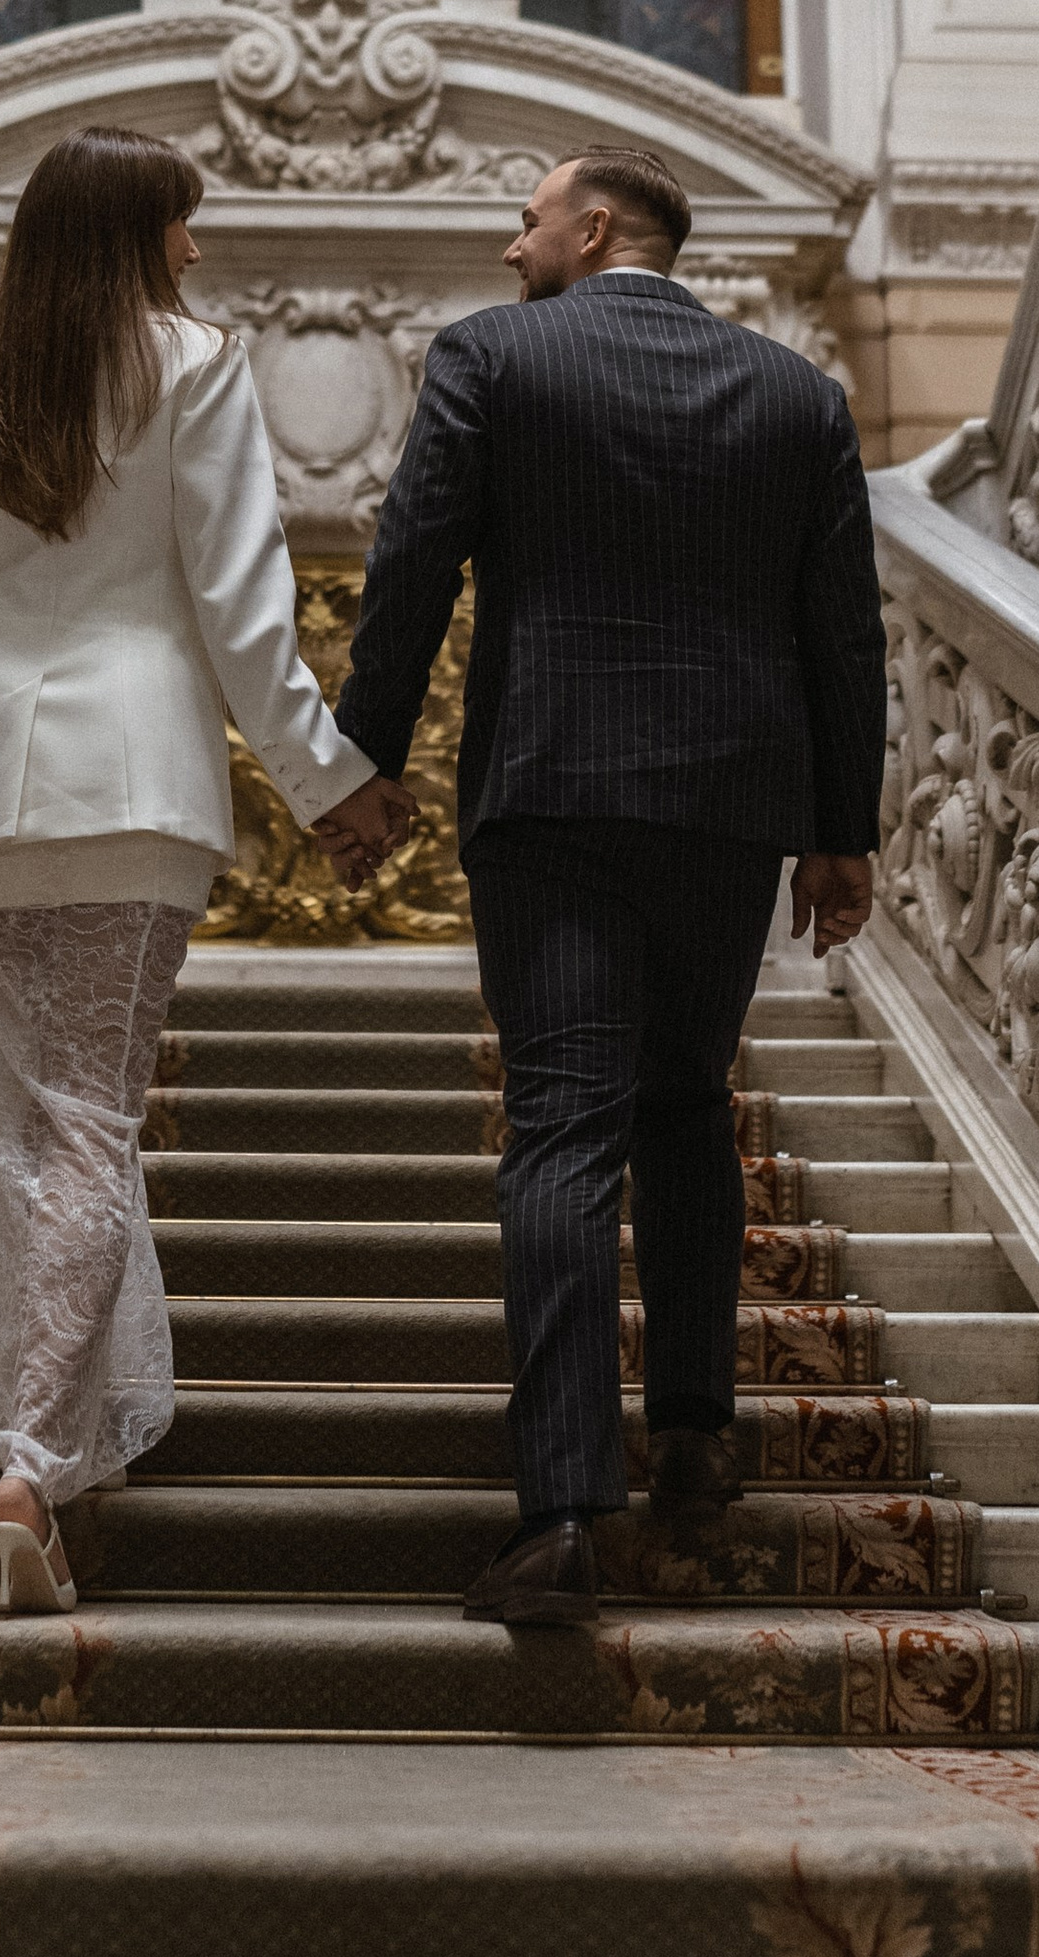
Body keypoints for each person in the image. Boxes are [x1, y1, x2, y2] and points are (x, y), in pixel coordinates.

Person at [333, 140, 886, 1626]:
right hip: (731, 804)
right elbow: (843, 628)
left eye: (526, 224)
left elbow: (413, 563)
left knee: (565, 1124)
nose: (511, 251)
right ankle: (697, 1430)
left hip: (557, 789)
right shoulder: (798, 395)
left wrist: (362, 760)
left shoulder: (496, 358)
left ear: (593, 229)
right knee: (691, 1102)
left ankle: (570, 1508)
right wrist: (845, 827)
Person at [0, 123, 412, 1612]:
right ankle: (34, 1461)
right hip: (135, 784)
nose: (196, 247)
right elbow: (244, 611)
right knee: (94, 1119)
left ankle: (35, 1433)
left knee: (8, 1116)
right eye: (182, 221)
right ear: (130, 230)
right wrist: (329, 782)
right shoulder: (193, 362)